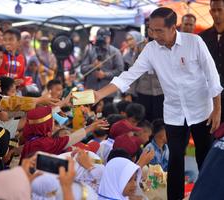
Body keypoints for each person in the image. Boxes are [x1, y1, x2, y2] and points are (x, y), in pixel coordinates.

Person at [94, 7, 222, 200]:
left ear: (173, 28)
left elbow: (212, 77)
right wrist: (98, 95)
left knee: (204, 158)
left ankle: (208, 196)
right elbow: (129, 76)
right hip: (174, 113)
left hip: (201, 110)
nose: (154, 35)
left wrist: (217, 109)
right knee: (176, 159)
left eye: (159, 30)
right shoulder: (151, 49)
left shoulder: (194, 42)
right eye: (152, 30)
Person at [21, 106, 109, 158]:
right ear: (44, 126)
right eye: (52, 121)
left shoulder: (31, 135)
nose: (54, 123)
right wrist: (91, 127)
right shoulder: (44, 143)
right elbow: (69, 139)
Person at [81, 28, 124, 104]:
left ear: (109, 38)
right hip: (91, 91)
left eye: (104, 37)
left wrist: (105, 75)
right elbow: (83, 69)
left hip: (107, 92)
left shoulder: (115, 52)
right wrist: (92, 66)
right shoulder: (90, 50)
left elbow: (120, 71)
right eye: (99, 36)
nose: (101, 39)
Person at [200, 0, 224, 122]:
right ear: (210, 12)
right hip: (209, 96)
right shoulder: (202, 38)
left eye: (219, 10)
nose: (216, 14)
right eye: (213, 10)